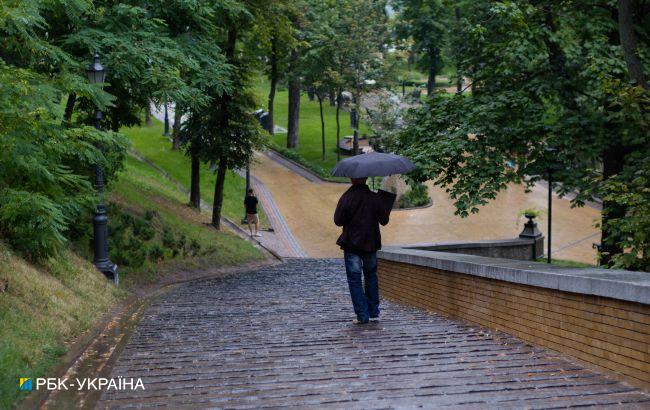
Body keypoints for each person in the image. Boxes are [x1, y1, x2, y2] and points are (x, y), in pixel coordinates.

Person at [334, 177, 395, 324]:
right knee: (371, 276)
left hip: (352, 244)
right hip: (370, 243)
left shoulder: (347, 197)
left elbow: (338, 220)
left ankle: (362, 315)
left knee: (355, 279)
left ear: (351, 178)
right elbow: (384, 221)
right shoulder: (374, 198)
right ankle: (373, 311)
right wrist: (381, 199)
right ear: (366, 178)